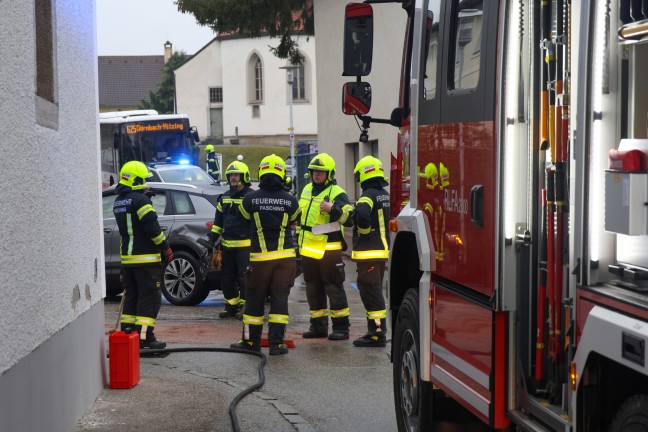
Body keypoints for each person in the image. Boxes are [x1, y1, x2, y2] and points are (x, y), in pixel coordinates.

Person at [231, 154, 301, 355]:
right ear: (282, 173)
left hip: (260, 260)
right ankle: (276, 344)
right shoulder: (291, 200)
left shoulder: (250, 199)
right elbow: (295, 220)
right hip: (285, 259)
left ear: (261, 172)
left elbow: (242, 218)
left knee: (254, 300)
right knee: (280, 300)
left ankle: (250, 342)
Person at [113, 161, 173, 349]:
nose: (146, 184)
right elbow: (152, 229)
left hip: (128, 260)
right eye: (143, 180)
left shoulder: (119, 201)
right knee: (150, 297)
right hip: (146, 260)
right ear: (136, 179)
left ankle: (128, 333)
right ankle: (146, 337)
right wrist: (165, 247)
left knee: (132, 296)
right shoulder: (141, 201)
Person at [298, 153, 354, 341]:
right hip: (307, 249)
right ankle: (318, 327)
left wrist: (333, 209)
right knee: (313, 289)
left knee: (333, 287)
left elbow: (349, 218)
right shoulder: (306, 189)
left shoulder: (337, 193)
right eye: (314, 171)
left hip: (328, 249)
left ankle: (341, 328)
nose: (317, 175)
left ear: (329, 174)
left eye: (321, 172)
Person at [351, 156, 390, 347]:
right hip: (381, 252)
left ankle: (376, 334)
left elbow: (364, 216)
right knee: (374, 291)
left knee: (370, 293)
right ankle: (376, 331)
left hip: (369, 253)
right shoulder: (385, 194)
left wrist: (364, 232)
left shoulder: (367, 196)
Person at [206, 160, 253, 319]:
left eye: (236, 175)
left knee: (245, 278)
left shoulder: (250, 197)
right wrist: (212, 238)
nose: (233, 178)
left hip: (245, 246)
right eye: (231, 175)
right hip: (227, 246)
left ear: (244, 176)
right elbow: (218, 221)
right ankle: (231, 307)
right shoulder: (224, 197)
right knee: (227, 278)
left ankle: (246, 307)